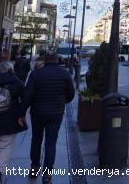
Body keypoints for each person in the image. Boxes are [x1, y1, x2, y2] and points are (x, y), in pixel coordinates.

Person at [22, 52, 75, 183]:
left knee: (36, 139)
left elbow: (27, 95)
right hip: (56, 113)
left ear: (44, 60)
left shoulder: (36, 74)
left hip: (38, 112)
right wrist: (63, 101)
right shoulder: (65, 74)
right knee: (51, 143)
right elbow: (71, 94)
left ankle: (34, 167)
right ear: (57, 60)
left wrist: (21, 112)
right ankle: (47, 174)